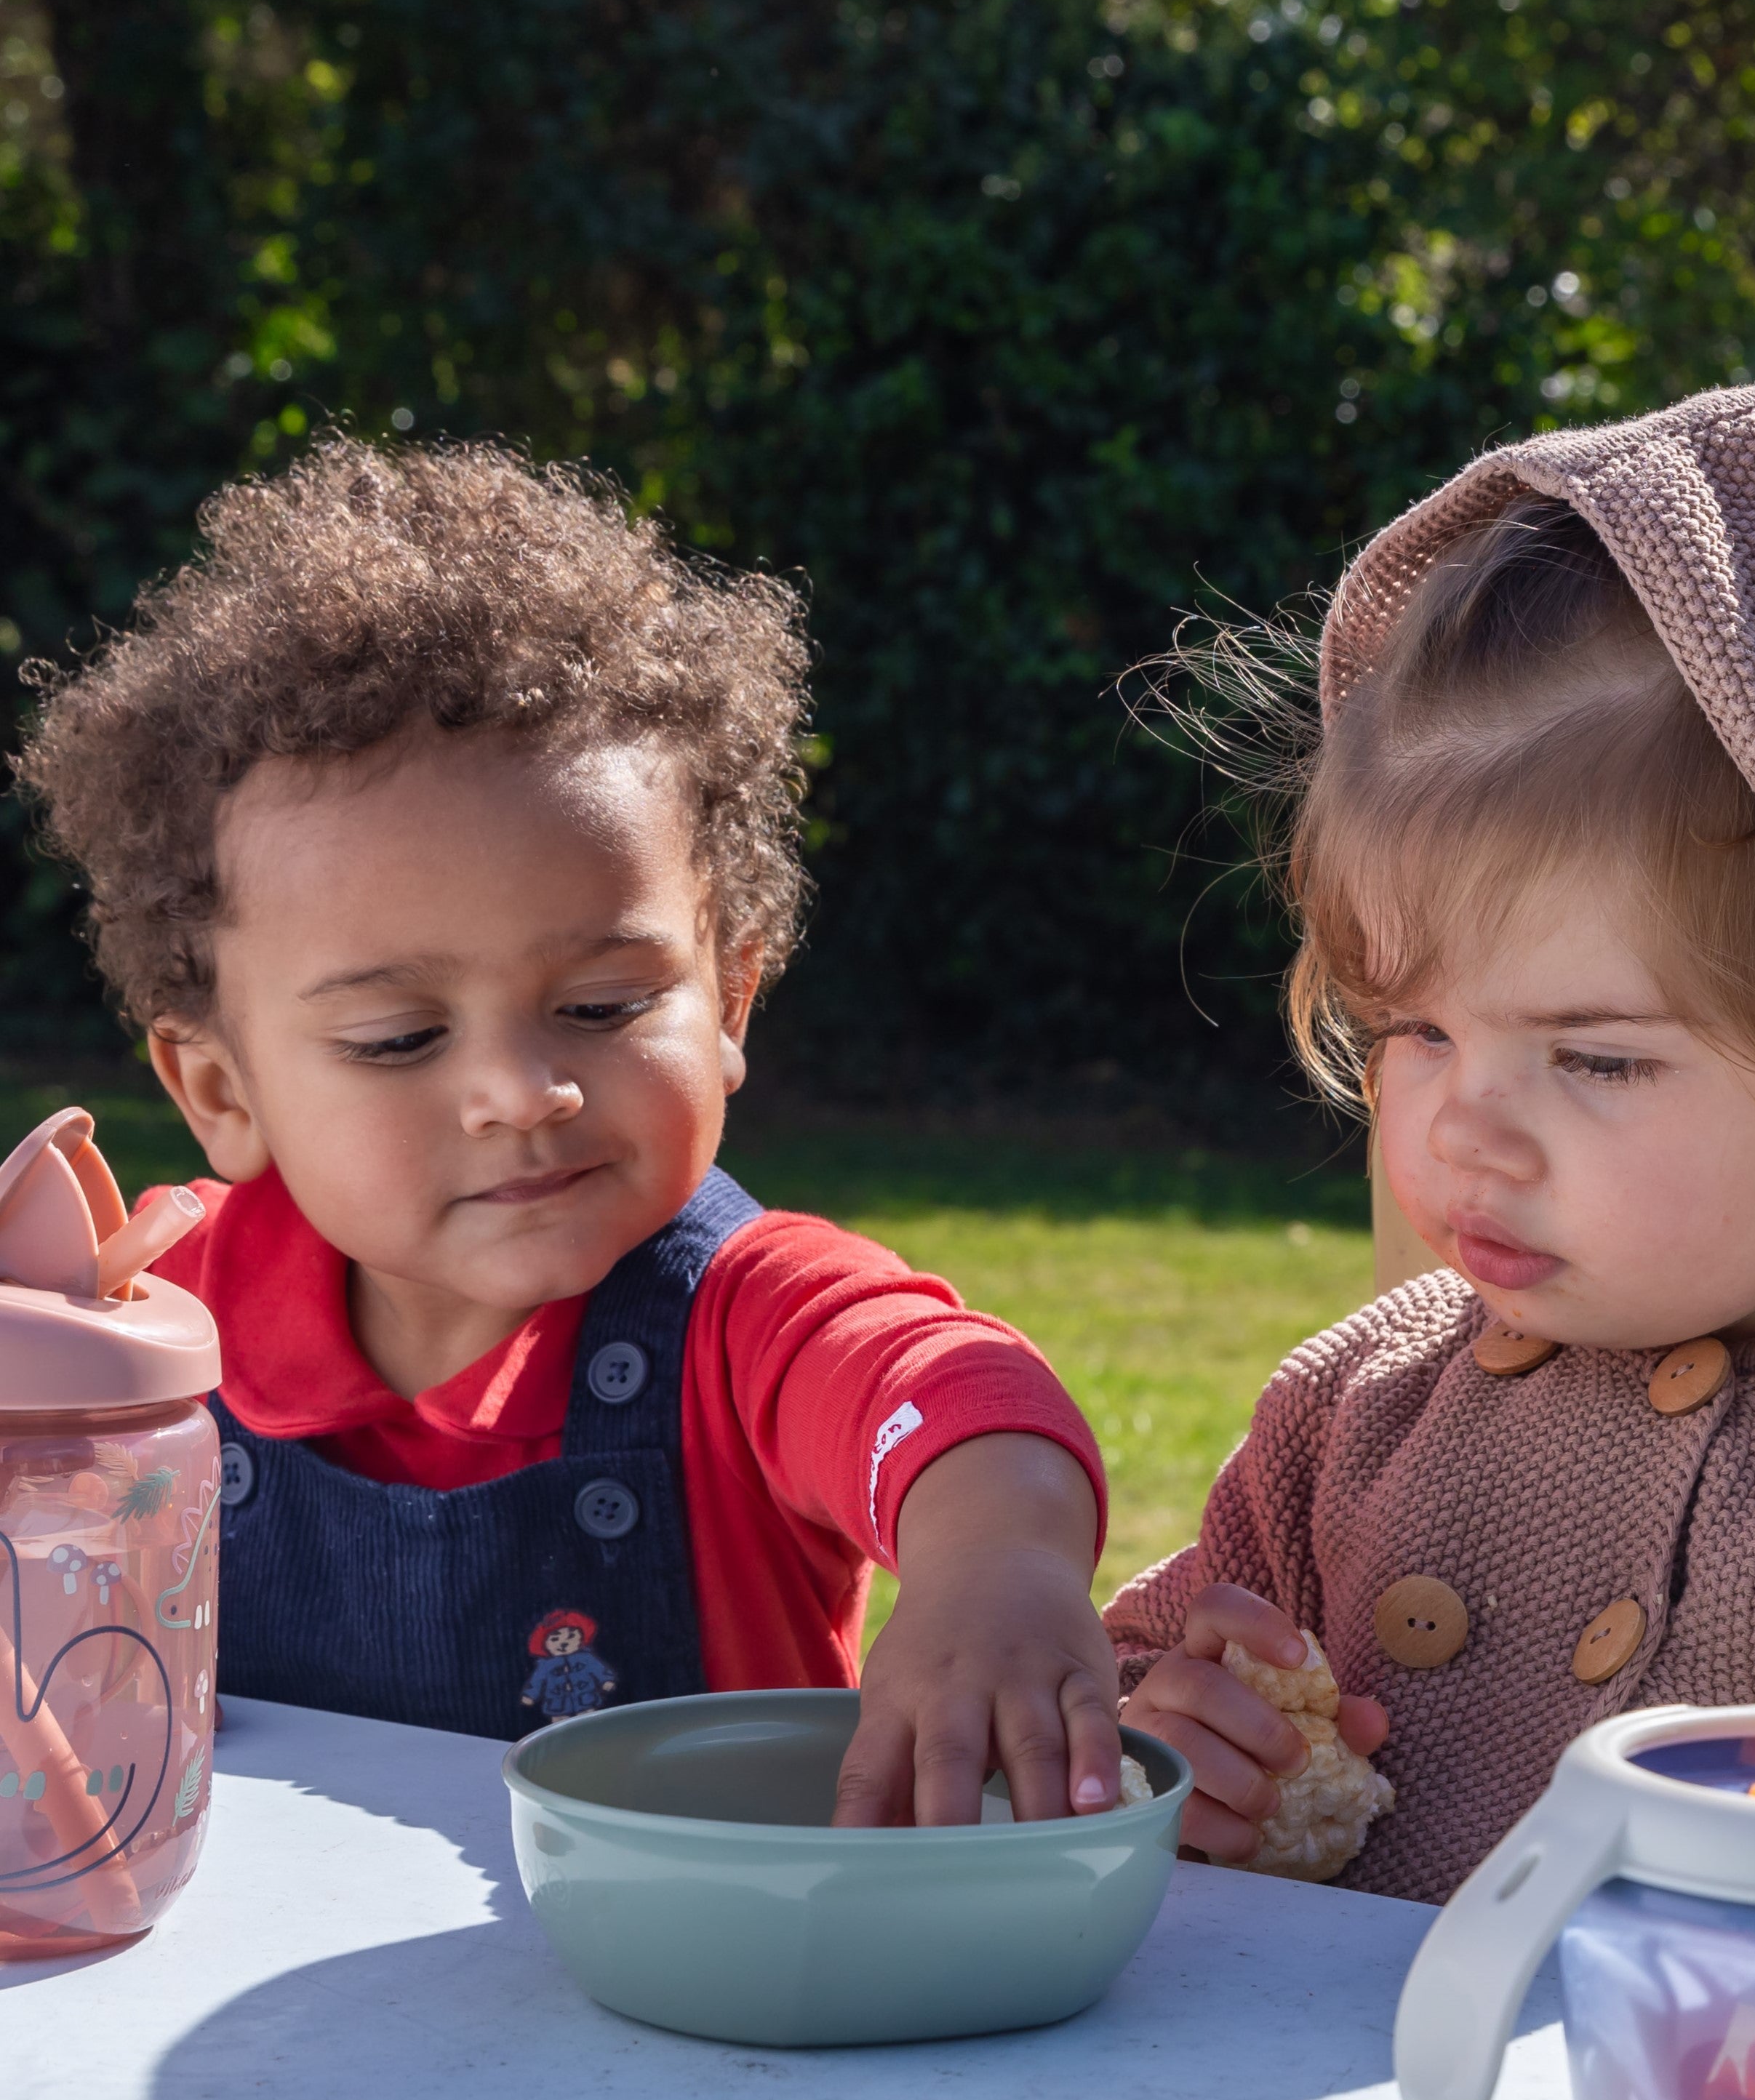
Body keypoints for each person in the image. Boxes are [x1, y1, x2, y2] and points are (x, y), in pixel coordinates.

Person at [1107, 364, 1755, 1901]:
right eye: (1415, 1030)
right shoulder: (1357, 1413)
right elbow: (1108, 1727)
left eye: (1595, 1058)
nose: (1469, 1130)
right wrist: (1173, 1754)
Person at [17, 437, 1122, 1824]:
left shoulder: (747, 1317)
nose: (520, 1091)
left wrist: (995, 1575)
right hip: (249, 2022)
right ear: (222, 1093)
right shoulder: (160, 1332)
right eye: (399, 1038)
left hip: (695, 2017)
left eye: (599, 1004)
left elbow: (953, 1393)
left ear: (729, 994)